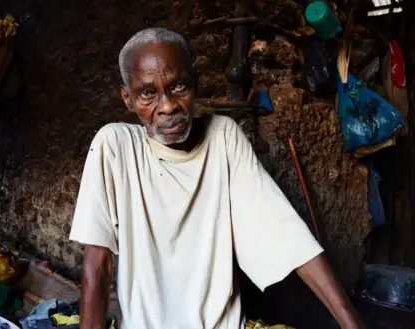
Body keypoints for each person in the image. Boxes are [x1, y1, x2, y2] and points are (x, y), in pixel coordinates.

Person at [69, 28, 366, 329]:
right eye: (148, 93)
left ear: (196, 84)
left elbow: (287, 233)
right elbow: (98, 264)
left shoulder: (223, 136)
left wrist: (350, 321)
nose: (168, 105)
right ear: (128, 98)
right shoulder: (115, 146)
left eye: (179, 86)